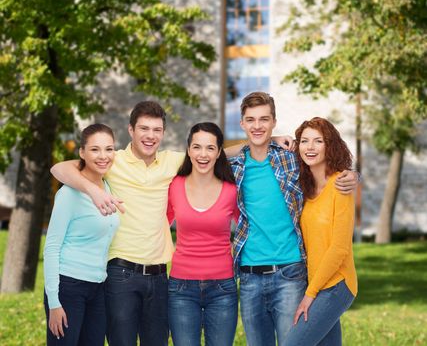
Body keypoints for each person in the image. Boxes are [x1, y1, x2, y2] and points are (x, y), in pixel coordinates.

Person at [50, 101, 293, 346]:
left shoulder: (172, 163)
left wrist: (268, 140)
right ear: (131, 131)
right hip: (120, 272)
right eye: (144, 129)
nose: (150, 136)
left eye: (156, 130)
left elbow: (212, 152)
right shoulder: (113, 160)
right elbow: (59, 168)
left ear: (163, 134)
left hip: (159, 276)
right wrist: (94, 191)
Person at [228, 92, 358, 346]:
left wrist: (355, 176)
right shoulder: (235, 166)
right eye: (251, 120)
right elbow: (207, 154)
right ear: (242, 123)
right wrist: (261, 141)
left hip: (291, 274)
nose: (258, 126)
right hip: (250, 277)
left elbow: (329, 164)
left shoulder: (290, 159)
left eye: (264, 120)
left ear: (274, 121)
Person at [43, 123, 120, 346]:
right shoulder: (68, 194)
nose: (103, 156)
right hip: (68, 288)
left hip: (98, 287)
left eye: (109, 149)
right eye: (95, 149)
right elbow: (51, 248)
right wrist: (54, 302)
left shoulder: (109, 187)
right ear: (82, 153)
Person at [284, 117, 357, 346]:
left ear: (330, 145)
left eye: (318, 141)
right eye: (305, 141)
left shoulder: (340, 186)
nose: (310, 147)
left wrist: (310, 294)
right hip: (317, 283)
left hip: (336, 284)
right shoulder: (305, 188)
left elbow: (339, 248)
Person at [167, 122, 239, 346]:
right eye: (197, 147)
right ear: (188, 151)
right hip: (180, 288)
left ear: (219, 153)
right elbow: (157, 223)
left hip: (222, 289)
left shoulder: (231, 190)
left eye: (210, 148)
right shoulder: (174, 186)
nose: (203, 154)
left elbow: (251, 229)